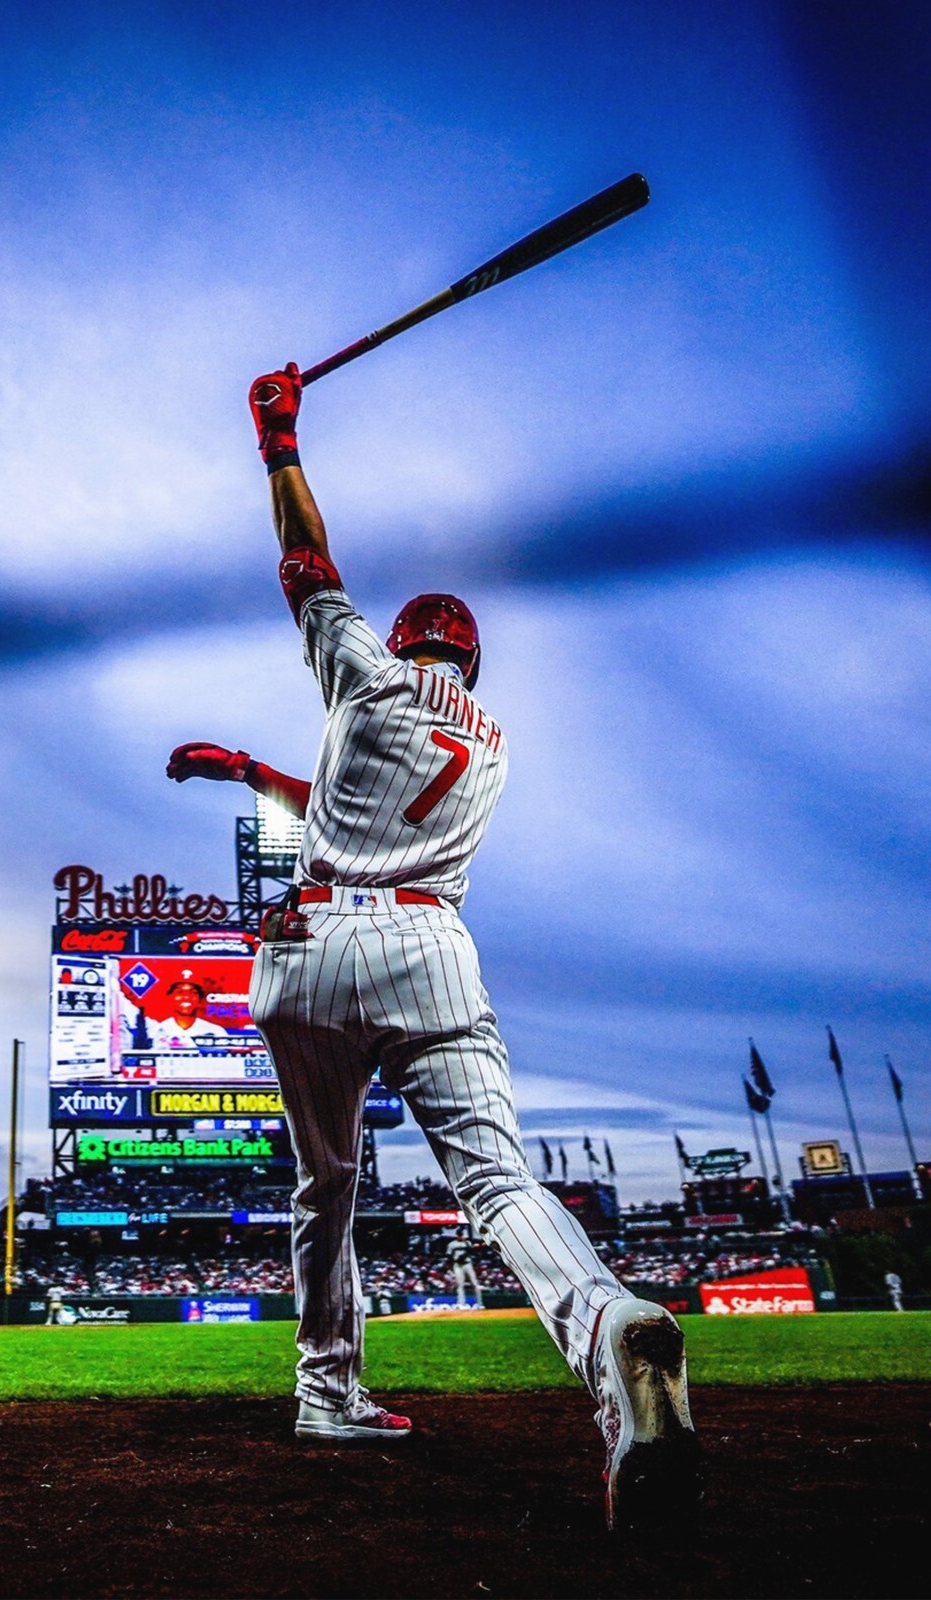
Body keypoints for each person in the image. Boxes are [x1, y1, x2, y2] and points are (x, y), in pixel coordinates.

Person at [165, 364, 699, 1533]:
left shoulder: (363, 671)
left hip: (300, 949)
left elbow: (305, 568)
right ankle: (606, 1328)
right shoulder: (495, 742)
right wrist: (260, 774)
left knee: (325, 1184)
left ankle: (325, 1390)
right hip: (424, 947)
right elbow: (375, 798)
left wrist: (278, 440)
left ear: (404, 641)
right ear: (473, 665)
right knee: (495, 1179)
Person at [446, 1227, 481, 1310]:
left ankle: (480, 1304)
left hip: (467, 1264)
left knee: (475, 1284)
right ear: (457, 1236)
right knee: (460, 1285)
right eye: (460, 1235)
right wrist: (454, 1260)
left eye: (462, 1235)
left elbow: (472, 1251)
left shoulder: (467, 1243)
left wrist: (474, 1247)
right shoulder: (452, 1244)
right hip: (457, 1265)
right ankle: (461, 1304)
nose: (461, 1236)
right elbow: (448, 1255)